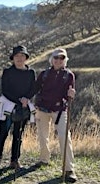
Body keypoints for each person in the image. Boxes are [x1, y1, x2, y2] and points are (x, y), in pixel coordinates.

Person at [34, 48, 77, 182]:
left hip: (60, 110)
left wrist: (71, 95)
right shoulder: (44, 74)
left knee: (65, 138)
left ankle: (69, 169)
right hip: (42, 109)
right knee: (42, 136)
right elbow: (35, 89)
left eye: (62, 58)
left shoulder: (69, 75)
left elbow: (69, 93)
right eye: (56, 58)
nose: (58, 60)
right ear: (51, 59)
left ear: (65, 60)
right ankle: (44, 159)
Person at [0, 45, 36, 169]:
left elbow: (33, 88)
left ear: (26, 58)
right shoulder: (7, 72)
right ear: (13, 58)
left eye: (22, 55)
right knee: (3, 133)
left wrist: (26, 98)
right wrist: (18, 101)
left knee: (18, 134)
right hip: (8, 106)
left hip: (24, 106)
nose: (19, 58)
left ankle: (14, 160)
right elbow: (5, 90)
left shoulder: (31, 72)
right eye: (17, 56)